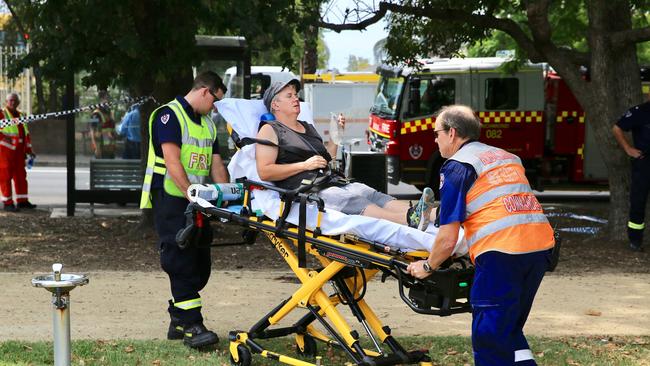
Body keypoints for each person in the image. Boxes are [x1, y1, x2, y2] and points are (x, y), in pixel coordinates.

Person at [406, 105, 555, 365]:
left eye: (436, 133)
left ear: (452, 133)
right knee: (508, 330)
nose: (435, 139)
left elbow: (448, 238)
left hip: (502, 254)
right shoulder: (505, 156)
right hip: (540, 249)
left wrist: (427, 266)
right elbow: (492, 202)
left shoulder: (456, 166)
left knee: (489, 338)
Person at [255, 80, 436, 231]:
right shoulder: (270, 130)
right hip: (309, 189)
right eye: (289, 96)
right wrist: (303, 165)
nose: (296, 98)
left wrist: (336, 135)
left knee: (373, 194)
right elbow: (265, 171)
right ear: (275, 104)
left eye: (295, 95)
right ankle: (408, 221)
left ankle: (435, 215)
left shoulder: (306, 126)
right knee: (355, 200)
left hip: (331, 180)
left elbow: (328, 159)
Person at [139, 71, 229, 349]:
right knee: (180, 259)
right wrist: (191, 193)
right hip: (171, 197)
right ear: (205, 91)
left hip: (196, 201)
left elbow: (216, 164)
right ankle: (192, 324)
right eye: (215, 101)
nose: (216, 108)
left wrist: (226, 195)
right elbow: (172, 162)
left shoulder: (208, 125)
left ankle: (178, 319)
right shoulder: (169, 116)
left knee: (200, 265)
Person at [612, 96, 650, 252]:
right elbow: (617, 128)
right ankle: (635, 240)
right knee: (638, 202)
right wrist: (628, 149)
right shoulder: (640, 111)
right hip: (644, 162)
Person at [0, 92, 37, 212]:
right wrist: (3, 137)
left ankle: (22, 201)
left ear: (18, 102)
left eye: (15, 100)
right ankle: (7, 203)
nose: (13, 102)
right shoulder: (2, 113)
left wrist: (29, 150)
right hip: (5, 152)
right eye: (10, 100)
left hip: (19, 153)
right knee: (5, 177)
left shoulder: (21, 115)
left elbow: (25, 134)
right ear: (6, 101)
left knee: (21, 177)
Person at [89, 90, 116, 159]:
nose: (107, 101)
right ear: (101, 100)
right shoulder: (95, 114)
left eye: (108, 98)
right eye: (106, 98)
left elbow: (112, 129)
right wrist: (95, 147)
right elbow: (92, 129)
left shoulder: (109, 112)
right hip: (100, 147)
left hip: (110, 147)